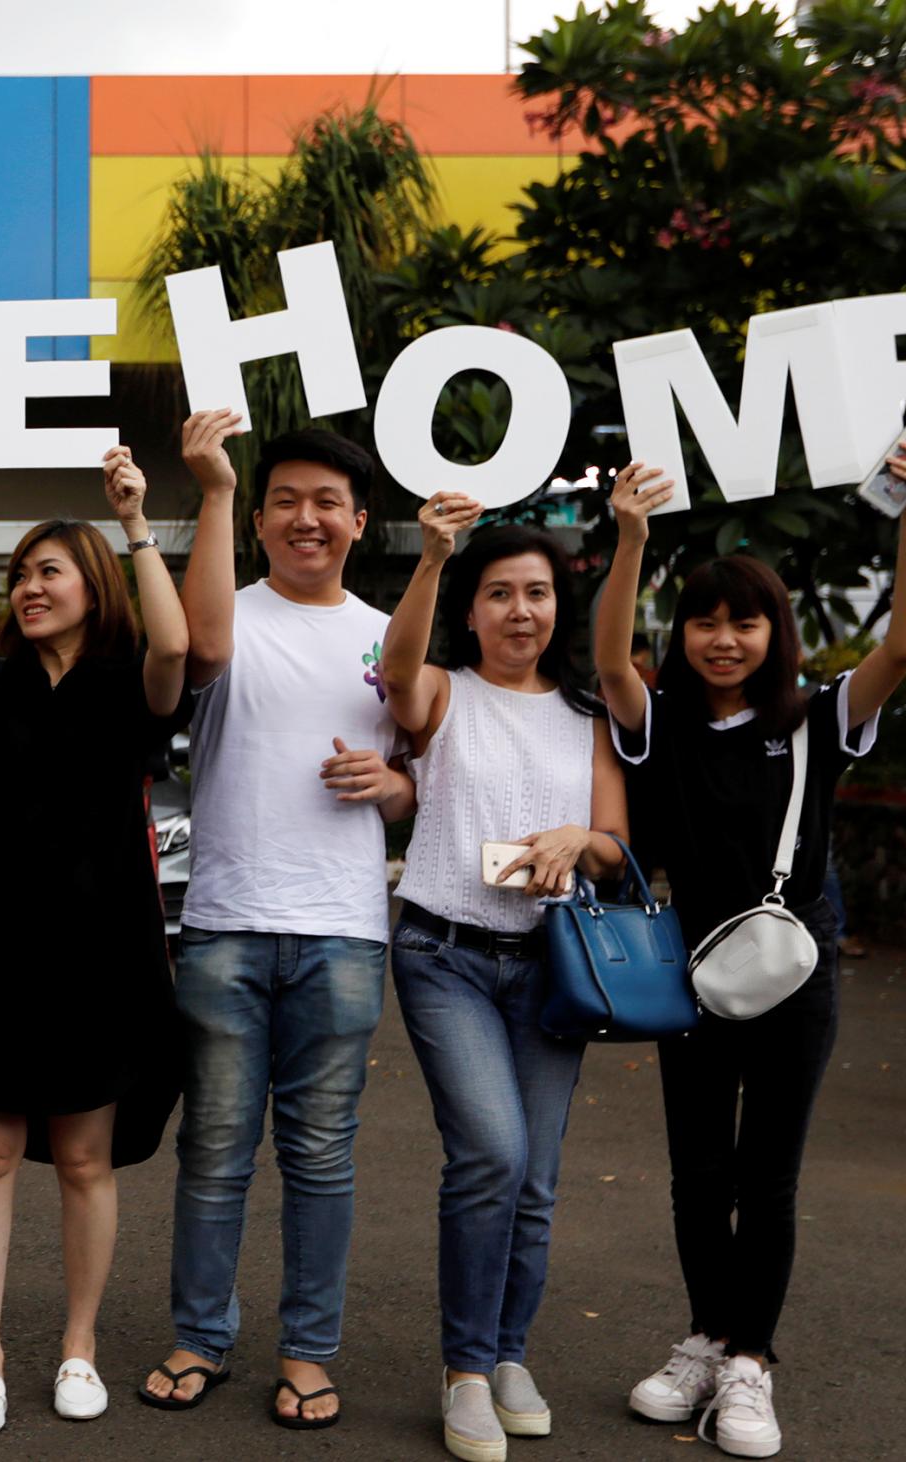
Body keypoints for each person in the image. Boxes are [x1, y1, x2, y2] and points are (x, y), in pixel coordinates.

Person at [596, 446, 906, 1459]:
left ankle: (750, 1361)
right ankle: (703, 1337)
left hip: (797, 972)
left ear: (771, 631)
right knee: (695, 1173)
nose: (720, 638)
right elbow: (613, 659)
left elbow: (904, 651)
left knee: (768, 1174)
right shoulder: (655, 722)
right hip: (685, 973)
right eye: (703, 620)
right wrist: (628, 539)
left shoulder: (810, 720)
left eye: (742, 620)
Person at [0, 435, 191, 1434]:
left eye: (48, 570)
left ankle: (78, 1347)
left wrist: (137, 521)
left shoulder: (128, 688)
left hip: (100, 960)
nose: (27, 586)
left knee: (81, 1160)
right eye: (18, 574)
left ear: (94, 583)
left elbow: (173, 648)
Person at [147, 410, 416, 1429]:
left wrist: (390, 783)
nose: (307, 519)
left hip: (344, 929)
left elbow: (418, 782)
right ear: (257, 517)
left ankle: (307, 1350)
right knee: (213, 1148)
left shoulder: (386, 633)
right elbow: (199, 655)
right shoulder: (221, 612)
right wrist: (208, 484)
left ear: (357, 520)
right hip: (222, 919)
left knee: (319, 1153)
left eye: (326, 503)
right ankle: (198, 1334)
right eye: (285, 501)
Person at [378, 502, 630, 1462]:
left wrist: (586, 840)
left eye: (535, 593)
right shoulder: (442, 691)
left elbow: (615, 845)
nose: (520, 612)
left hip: (552, 967)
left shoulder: (589, 717)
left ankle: (509, 1351)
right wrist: (435, 554)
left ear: (556, 607)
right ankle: (467, 1371)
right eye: (499, 595)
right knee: (490, 1152)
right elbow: (395, 672)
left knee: (537, 1175)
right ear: (472, 611)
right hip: (445, 955)